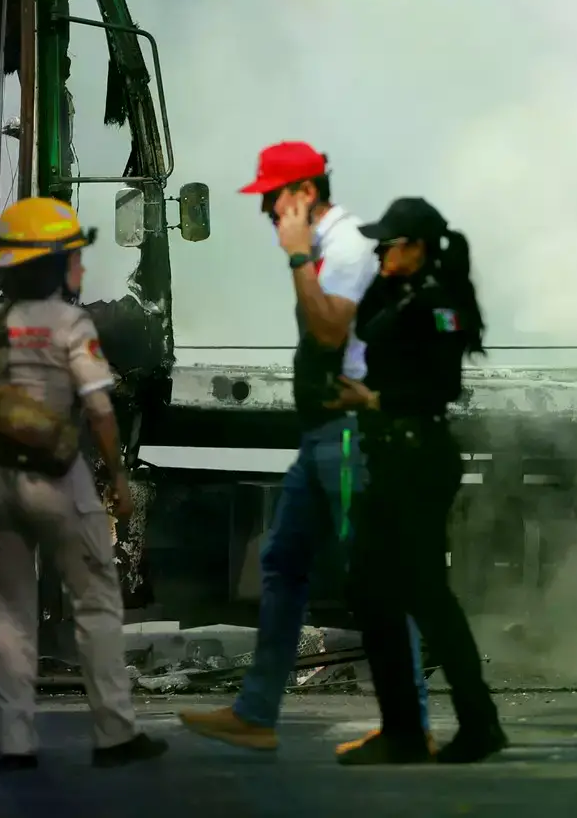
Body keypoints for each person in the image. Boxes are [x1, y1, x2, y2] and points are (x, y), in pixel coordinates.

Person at [181, 143, 429, 755]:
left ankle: (409, 724)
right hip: (326, 437)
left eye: (272, 198)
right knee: (283, 564)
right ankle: (257, 712)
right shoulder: (330, 251)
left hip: (351, 442)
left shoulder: (341, 250)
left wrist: (295, 256)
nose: (266, 210)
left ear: (304, 195)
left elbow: (327, 329)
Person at [0, 198, 165, 770]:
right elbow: (101, 411)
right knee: (95, 603)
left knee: (11, 614)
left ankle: (15, 742)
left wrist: (3, 416)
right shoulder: (69, 325)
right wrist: (116, 477)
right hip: (56, 481)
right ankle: (114, 734)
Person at [335, 197, 505, 765]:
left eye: (392, 243)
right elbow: (361, 328)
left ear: (419, 246)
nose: (382, 251)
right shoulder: (399, 293)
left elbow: (442, 387)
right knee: (371, 590)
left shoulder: (438, 303)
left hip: (418, 453)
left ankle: (477, 723)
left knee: (425, 594)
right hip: (389, 457)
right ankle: (404, 728)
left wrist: (375, 398)